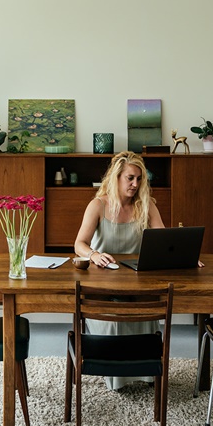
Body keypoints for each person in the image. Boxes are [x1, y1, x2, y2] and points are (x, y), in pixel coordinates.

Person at [73, 150, 164, 390]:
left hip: (138, 282)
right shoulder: (98, 205)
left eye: (139, 179)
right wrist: (94, 254)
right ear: (116, 177)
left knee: (146, 310)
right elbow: (79, 244)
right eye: (130, 178)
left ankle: (145, 371)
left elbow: (164, 240)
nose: (135, 184)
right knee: (114, 315)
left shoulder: (148, 206)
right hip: (103, 283)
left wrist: (187, 256)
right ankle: (114, 372)